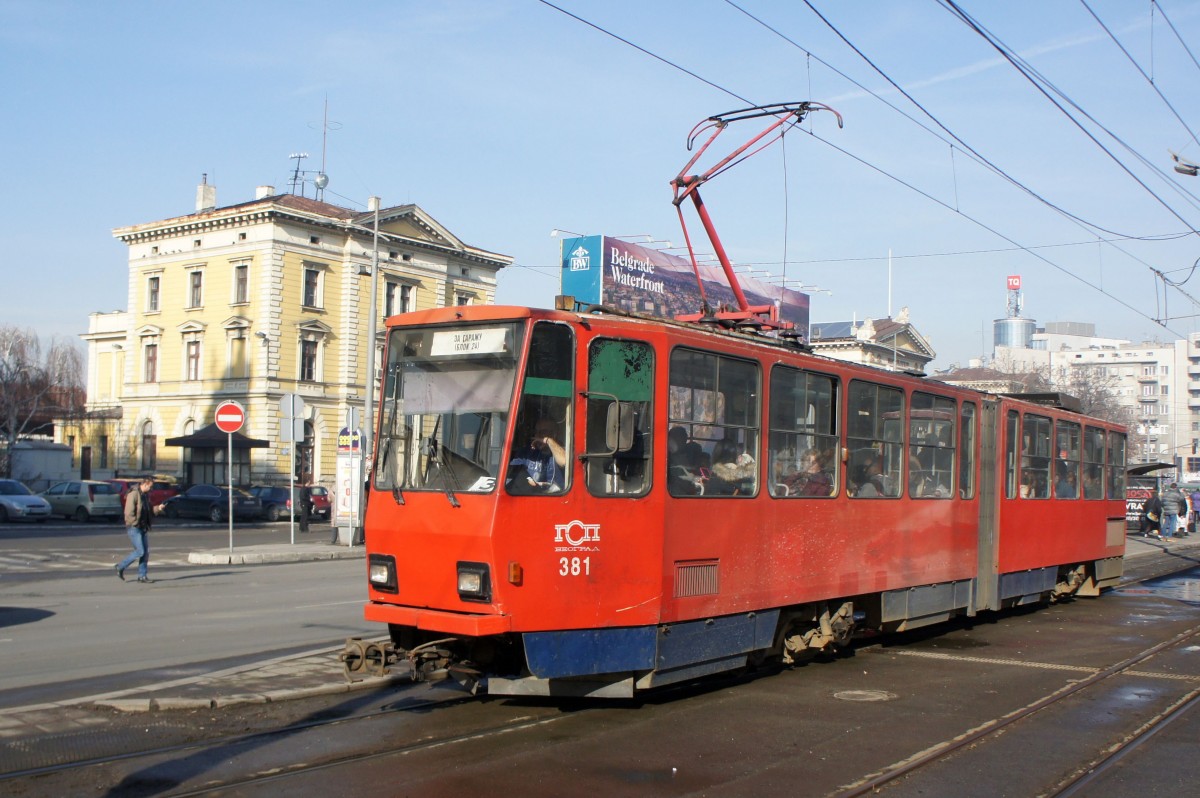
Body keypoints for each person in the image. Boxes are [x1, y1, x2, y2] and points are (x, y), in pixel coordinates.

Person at [116, 476, 163, 583]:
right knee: (140, 551)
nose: (151, 489)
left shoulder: (145, 495)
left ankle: (142, 576)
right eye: (150, 486)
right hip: (134, 527)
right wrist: (135, 523)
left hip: (143, 527)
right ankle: (120, 566)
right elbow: (128, 512)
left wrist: (158, 508)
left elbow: (149, 509)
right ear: (145, 484)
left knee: (145, 552)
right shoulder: (133, 493)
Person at [508, 416, 568, 493]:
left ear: (554, 433)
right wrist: (527, 480)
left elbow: (564, 461)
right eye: (537, 431)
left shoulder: (561, 450)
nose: (538, 435)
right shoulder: (527, 451)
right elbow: (512, 472)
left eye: (543, 432)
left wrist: (548, 441)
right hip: (530, 496)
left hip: (555, 498)